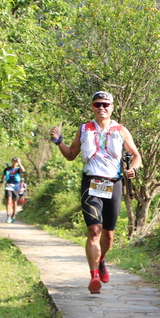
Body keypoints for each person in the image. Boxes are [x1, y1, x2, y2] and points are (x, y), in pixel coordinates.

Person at [49, 91, 141, 294]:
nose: (101, 108)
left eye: (105, 104)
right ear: (92, 107)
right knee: (94, 230)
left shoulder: (120, 130)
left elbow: (136, 156)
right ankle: (94, 277)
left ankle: (101, 260)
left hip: (113, 183)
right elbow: (71, 155)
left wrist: (133, 168)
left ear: (112, 107)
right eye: (98, 104)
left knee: (108, 235)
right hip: (91, 183)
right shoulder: (84, 129)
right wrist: (58, 141)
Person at [2, 157, 25, 223]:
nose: (15, 163)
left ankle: (14, 215)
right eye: (14, 161)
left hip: (16, 187)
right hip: (8, 186)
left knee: (15, 201)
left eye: (16, 162)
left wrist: (19, 162)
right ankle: (8, 216)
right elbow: (3, 174)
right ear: (12, 161)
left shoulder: (17, 169)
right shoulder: (7, 169)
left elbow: (23, 170)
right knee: (9, 201)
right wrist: (2, 180)